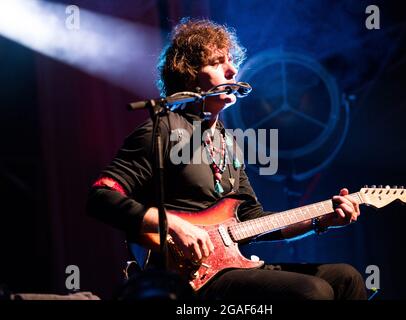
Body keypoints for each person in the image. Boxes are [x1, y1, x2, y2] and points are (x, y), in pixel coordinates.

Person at [87, 18, 367, 300]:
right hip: (190, 279)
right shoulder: (162, 128)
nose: (232, 70)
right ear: (189, 74)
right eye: (217, 62)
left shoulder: (228, 142)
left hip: (232, 265)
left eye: (230, 61)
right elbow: (101, 197)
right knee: (313, 291)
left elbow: (252, 220)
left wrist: (320, 221)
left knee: (346, 278)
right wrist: (174, 224)